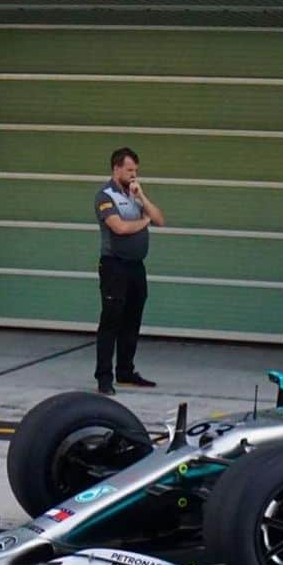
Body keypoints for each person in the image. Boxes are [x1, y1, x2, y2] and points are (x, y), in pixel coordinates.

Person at [93, 146, 166, 395]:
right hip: (115, 265)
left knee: (132, 319)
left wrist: (142, 197)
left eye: (136, 170)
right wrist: (144, 221)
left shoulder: (135, 194)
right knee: (111, 320)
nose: (134, 174)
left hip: (136, 266)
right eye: (129, 170)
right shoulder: (105, 196)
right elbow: (120, 228)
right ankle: (104, 377)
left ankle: (125, 371)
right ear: (116, 169)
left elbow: (160, 219)